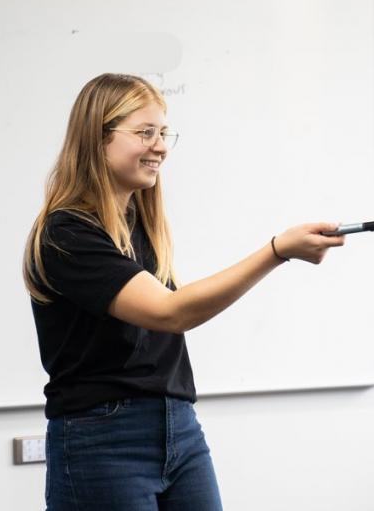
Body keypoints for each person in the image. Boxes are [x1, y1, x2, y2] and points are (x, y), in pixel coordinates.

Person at [22, 72, 346, 510]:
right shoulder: (67, 233)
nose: (160, 147)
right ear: (98, 138)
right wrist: (277, 251)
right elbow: (171, 313)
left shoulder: (139, 227)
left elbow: (168, 312)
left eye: (163, 133)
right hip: (102, 437)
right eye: (145, 133)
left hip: (179, 427)